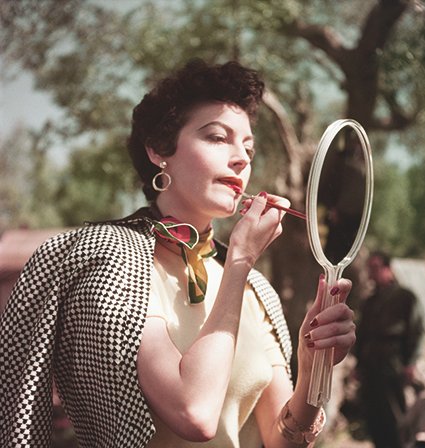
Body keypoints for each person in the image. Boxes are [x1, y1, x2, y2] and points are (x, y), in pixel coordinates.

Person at [0, 59, 356, 448]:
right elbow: (195, 414)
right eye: (218, 138)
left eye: (248, 148)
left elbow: (281, 438)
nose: (241, 158)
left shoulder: (255, 289)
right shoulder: (106, 259)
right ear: (158, 150)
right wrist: (239, 261)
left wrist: (309, 368)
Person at [355, 250, 424, 448]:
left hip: (392, 361)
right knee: (374, 414)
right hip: (371, 362)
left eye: (376, 268)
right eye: (370, 269)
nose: (372, 274)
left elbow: (416, 330)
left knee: (394, 413)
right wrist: (358, 364)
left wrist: (410, 363)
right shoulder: (369, 301)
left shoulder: (405, 297)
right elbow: (362, 334)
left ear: (388, 269)